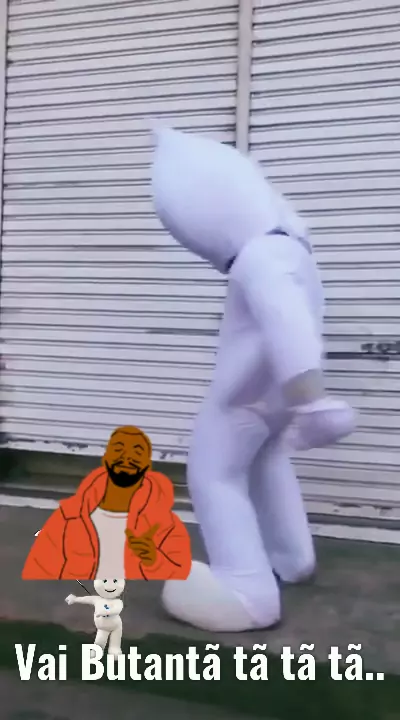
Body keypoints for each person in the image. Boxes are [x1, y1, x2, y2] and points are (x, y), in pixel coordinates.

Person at [151, 127, 356, 632]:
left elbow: (287, 319)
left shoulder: (259, 258)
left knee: (214, 474)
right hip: (273, 399)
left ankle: (246, 592)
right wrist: (301, 398)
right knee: (266, 461)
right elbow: (297, 319)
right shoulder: (293, 249)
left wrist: (312, 399)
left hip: (241, 401)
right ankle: (291, 558)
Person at [22, 426, 192, 581]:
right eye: (118, 449)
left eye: (137, 452)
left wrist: (155, 561)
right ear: (105, 460)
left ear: (147, 466)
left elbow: (184, 583)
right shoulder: (68, 517)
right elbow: (39, 573)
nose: (127, 457)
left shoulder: (167, 526)